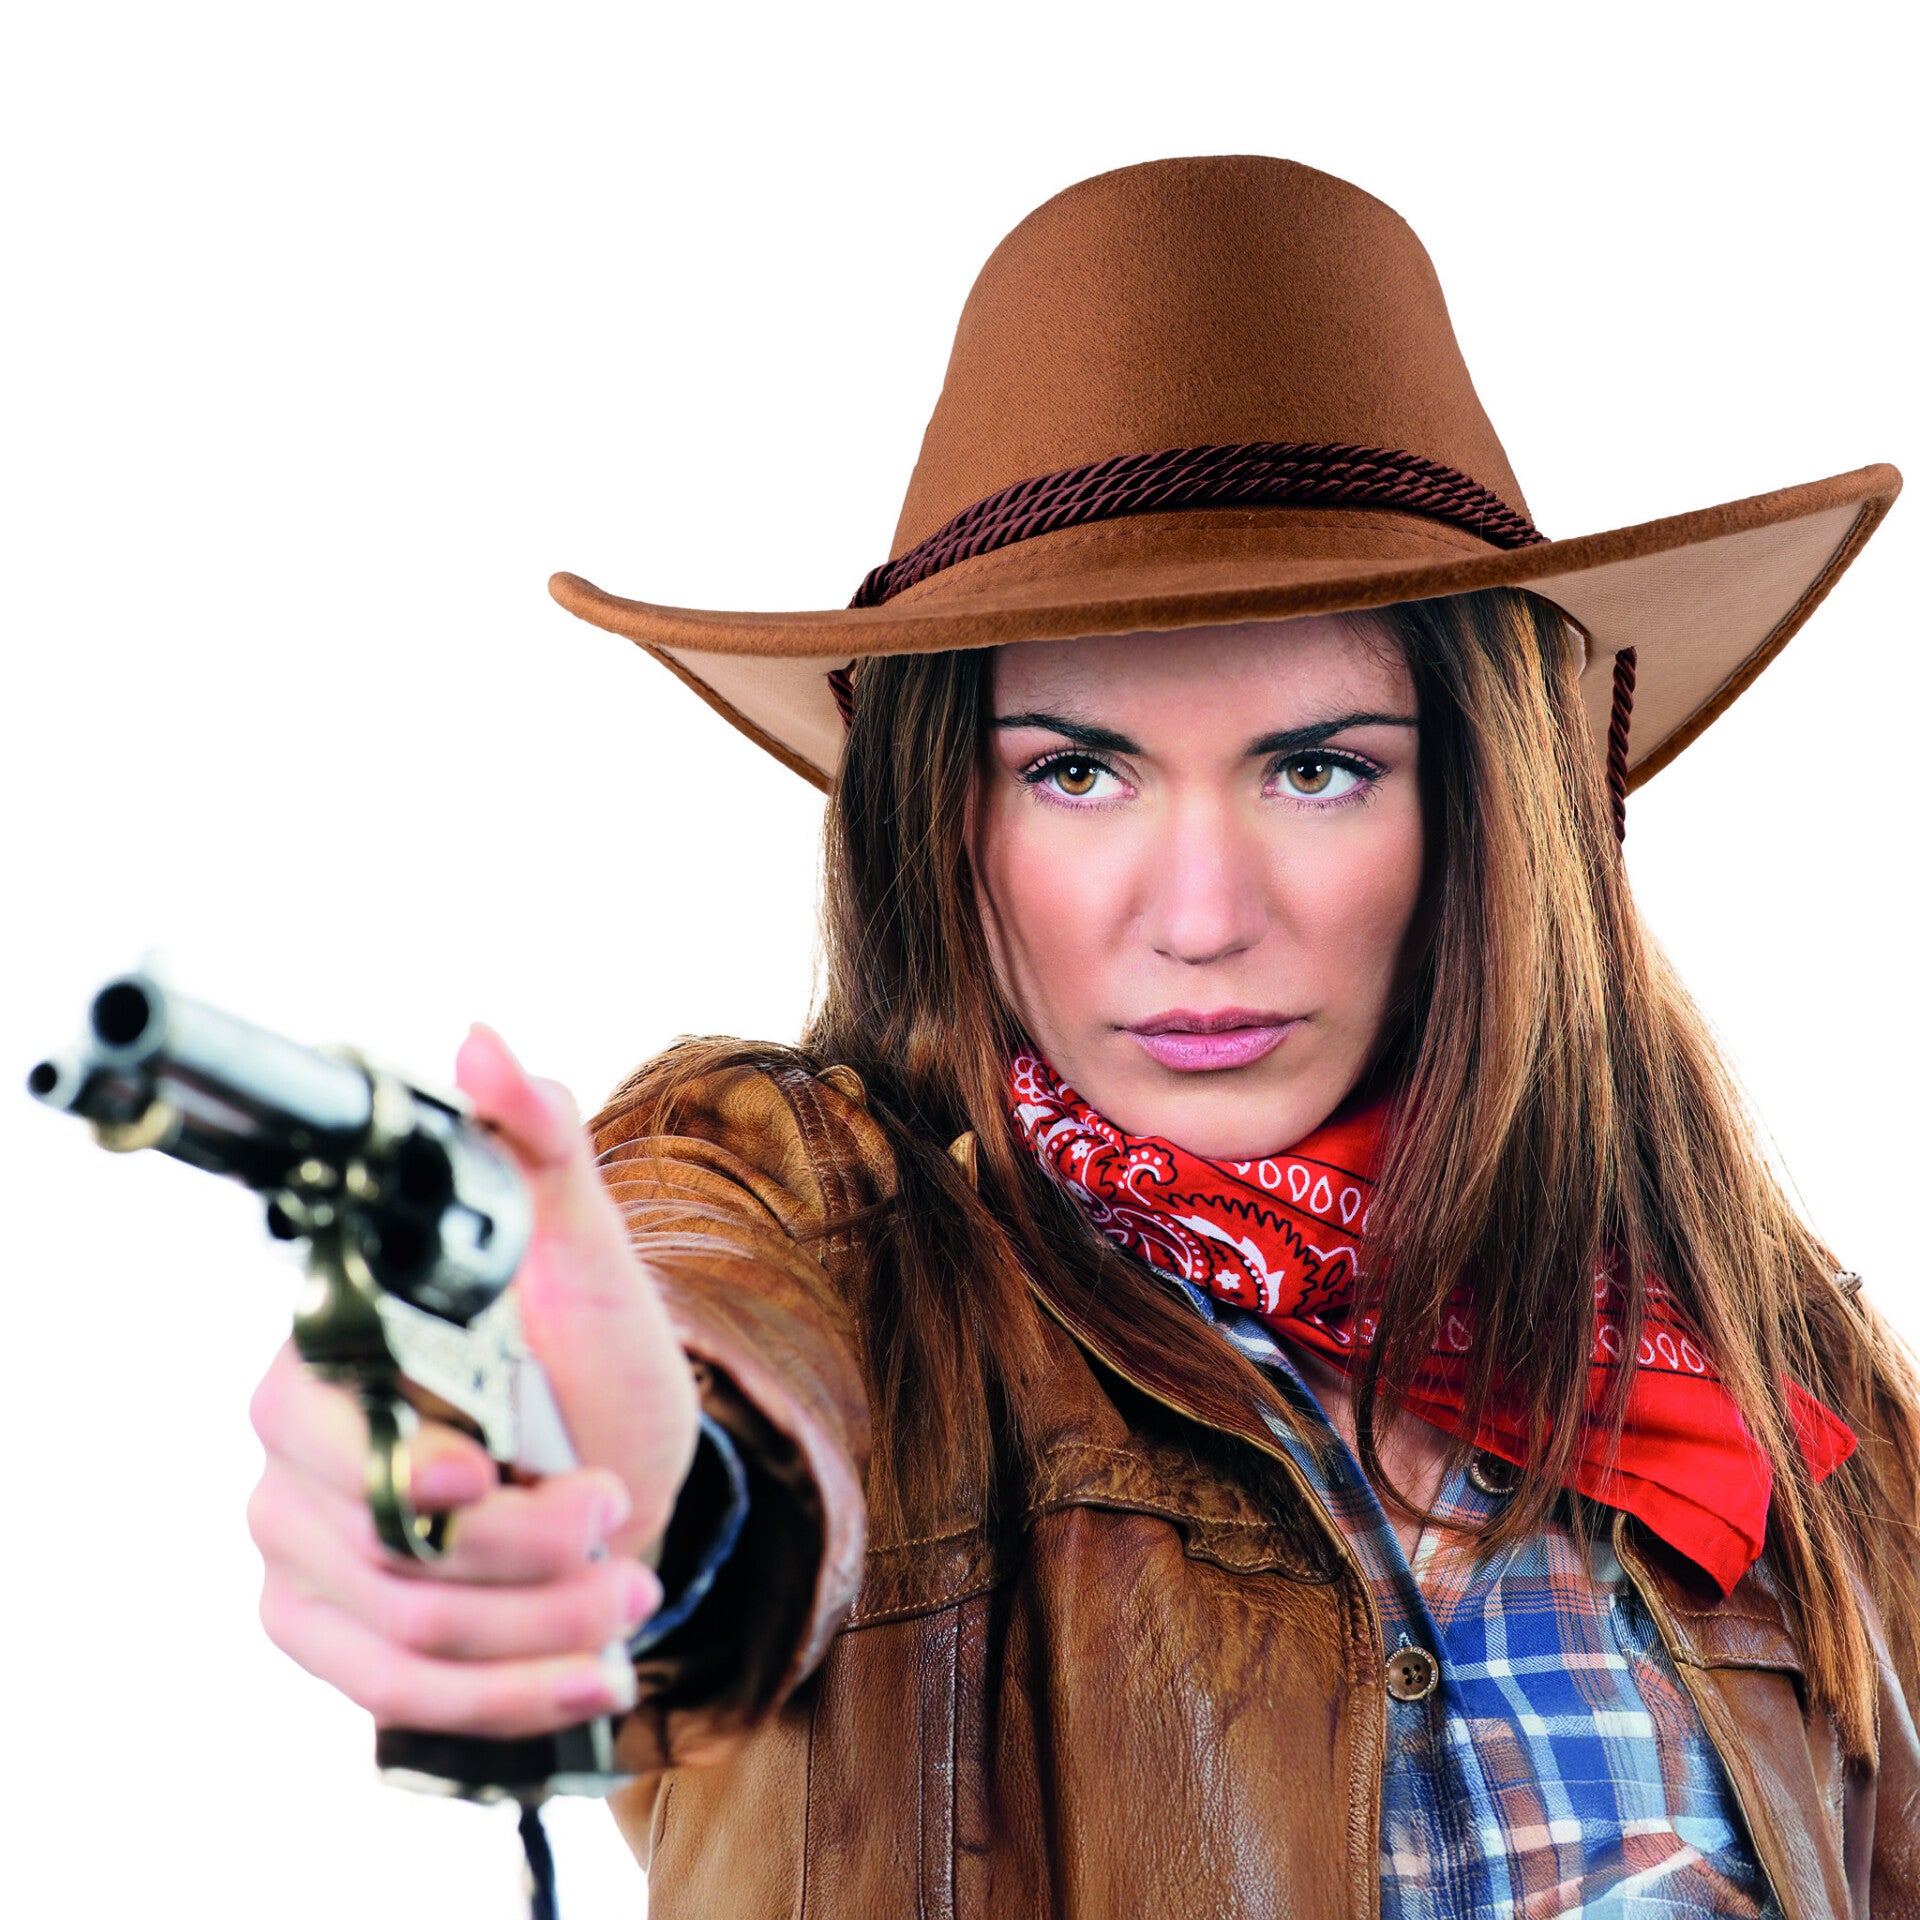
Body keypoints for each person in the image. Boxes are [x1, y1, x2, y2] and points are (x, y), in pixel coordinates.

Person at [243, 157, 1919, 1915]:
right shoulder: (827, 1231)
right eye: (1077, 770)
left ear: (1485, 811)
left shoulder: (1774, 1379)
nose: (1198, 914)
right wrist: (553, 1468)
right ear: (944, 819)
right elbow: (684, 1371)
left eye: (1317, 766)